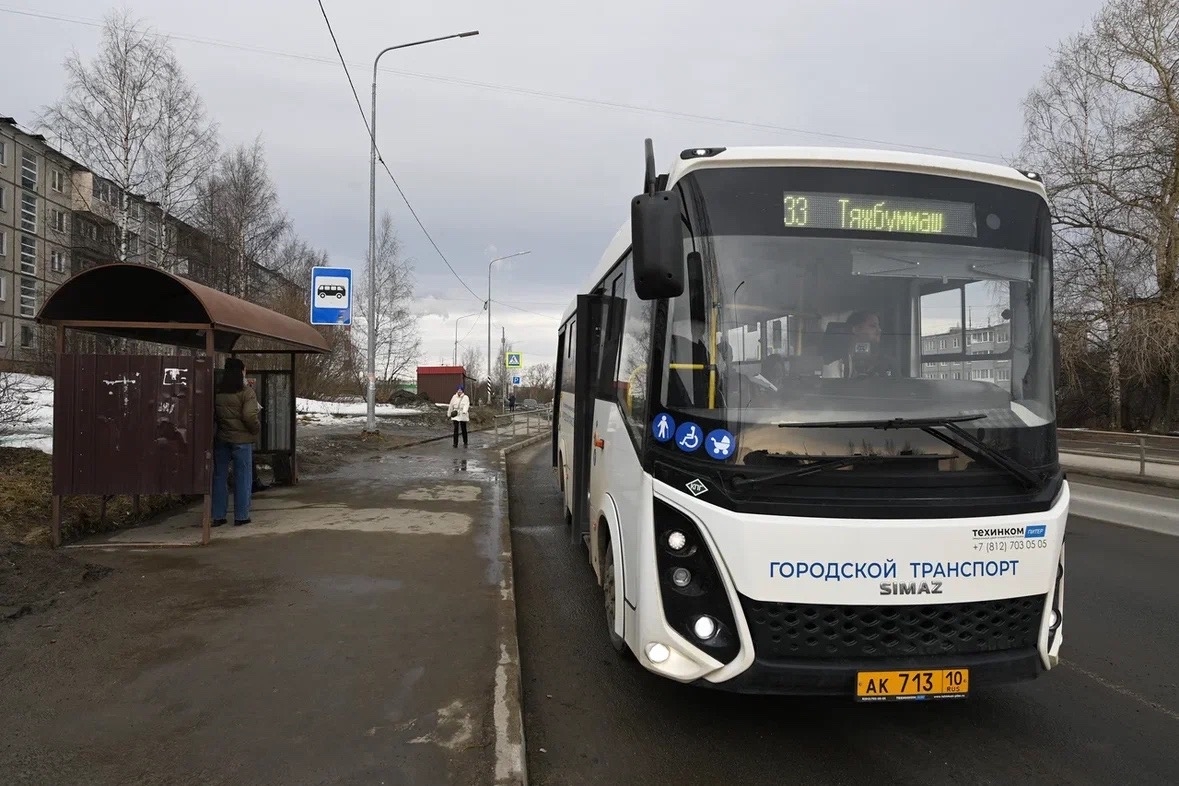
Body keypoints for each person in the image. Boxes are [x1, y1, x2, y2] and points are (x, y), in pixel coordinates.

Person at [212, 357, 260, 526]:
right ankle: (241, 516)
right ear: (241, 372)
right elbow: (249, 416)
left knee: (219, 477)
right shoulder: (246, 392)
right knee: (243, 476)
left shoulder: (218, 391)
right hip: (242, 440)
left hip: (222, 438)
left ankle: (218, 515)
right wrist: (255, 429)